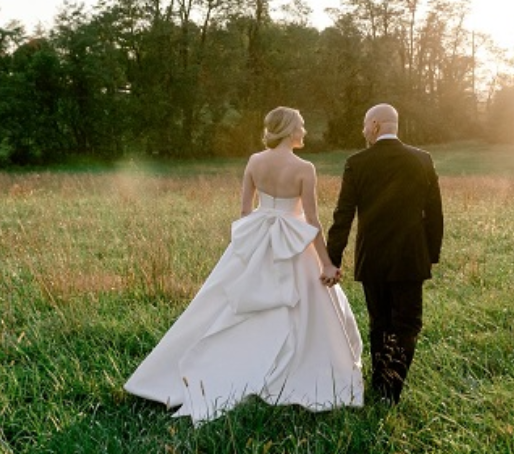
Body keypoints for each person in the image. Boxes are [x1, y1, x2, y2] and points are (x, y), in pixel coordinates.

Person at [124, 107, 363, 425]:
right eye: (301, 125)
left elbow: (245, 212)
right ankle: (291, 372)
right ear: (290, 129)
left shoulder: (254, 161)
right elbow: (313, 221)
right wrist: (326, 264)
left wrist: (252, 252)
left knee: (225, 304)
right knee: (303, 311)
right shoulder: (305, 168)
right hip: (293, 243)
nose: (304, 131)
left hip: (258, 239)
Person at [326, 103, 443, 405]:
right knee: (407, 324)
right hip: (410, 258)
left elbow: (343, 215)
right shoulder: (422, 160)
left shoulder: (357, 163)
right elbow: (434, 214)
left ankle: (380, 383)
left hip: (372, 258)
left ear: (375, 124)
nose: (364, 131)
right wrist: (429, 254)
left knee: (380, 322)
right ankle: (392, 388)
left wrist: (332, 259)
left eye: (365, 125)